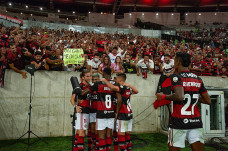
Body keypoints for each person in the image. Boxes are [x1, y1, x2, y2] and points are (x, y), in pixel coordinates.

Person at [156, 52, 211, 151]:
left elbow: (180, 96)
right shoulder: (198, 79)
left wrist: (163, 96)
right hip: (195, 121)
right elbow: (208, 101)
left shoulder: (176, 77)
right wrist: (193, 96)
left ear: (177, 62)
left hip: (179, 121)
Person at [81, 67, 121, 151]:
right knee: (109, 135)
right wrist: (116, 112)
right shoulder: (115, 84)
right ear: (111, 74)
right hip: (111, 113)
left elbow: (84, 92)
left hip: (100, 114)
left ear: (102, 74)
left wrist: (77, 88)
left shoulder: (98, 84)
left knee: (101, 136)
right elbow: (119, 99)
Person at [100, 73, 138, 151]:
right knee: (127, 133)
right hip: (128, 114)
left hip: (122, 114)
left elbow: (113, 87)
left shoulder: (122, 88)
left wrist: (104, 80)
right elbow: (136, 91)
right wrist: (128, 84)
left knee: (121, 134)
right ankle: (128, 149)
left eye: (116, 79)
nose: (115, 80)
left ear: (120, 80)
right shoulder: (127, 88)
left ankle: (123, 149)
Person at [70, 70, 91, 151]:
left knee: (79, 131)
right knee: (82, 132)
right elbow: (72, 99)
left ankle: (75, 149)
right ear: (82, 77)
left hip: (87, 111)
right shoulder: (79, 86)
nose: (89, 78)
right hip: (82, 111)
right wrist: (76, 106)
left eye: (90, 76)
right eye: (87, 76)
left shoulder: (89, 86)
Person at [88, 73, 100, 151]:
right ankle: (91, 146)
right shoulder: (91, 88)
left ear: (99, 79)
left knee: (98, 130)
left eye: (96, 80)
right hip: (92, 111)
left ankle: (97, 146)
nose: (94, 81)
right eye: (93, 80)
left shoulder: (101, 87)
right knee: (92, 129)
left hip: (100, 112)